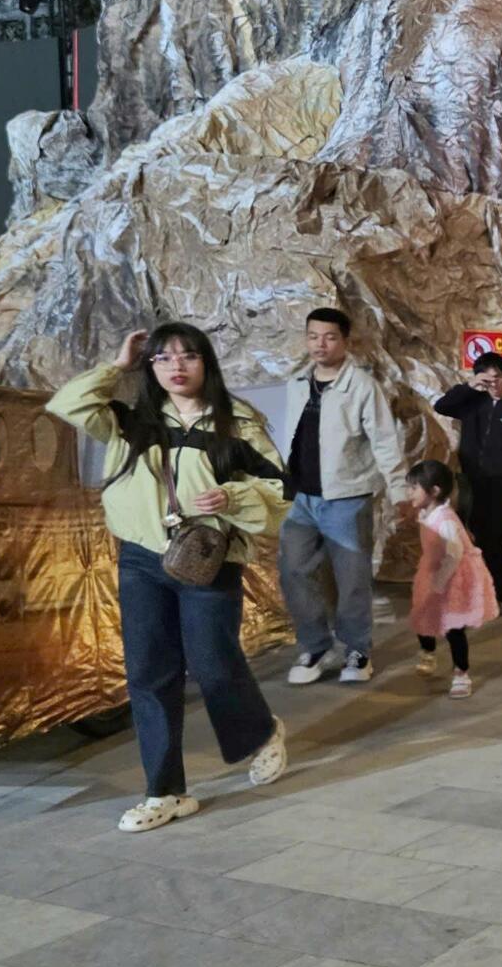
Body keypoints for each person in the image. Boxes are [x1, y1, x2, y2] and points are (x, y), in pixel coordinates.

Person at [46, 324, 290, 832]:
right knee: (149, 673)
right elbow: (68, 404)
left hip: (207, 555)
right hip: (141, 558)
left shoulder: (237, 423)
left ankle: (261, 731)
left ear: (207, 362)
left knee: (212, 662)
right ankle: (166, 792)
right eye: (163, 357)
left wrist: (232, 498)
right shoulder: (129, 421)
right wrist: (117, 367)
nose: (176, 366)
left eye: (188, 355)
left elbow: (280, 491)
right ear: (150, 366)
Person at [280, 306, 409, 686]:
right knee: (293, 572)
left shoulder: (362, 387)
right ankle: (316, 647)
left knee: (351, 579)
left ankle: (356, 649)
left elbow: (385, 441)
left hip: (347, 498)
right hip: (300, 500)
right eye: (313, 336)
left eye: (329, 337)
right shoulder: (296, 384)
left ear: (345, 341)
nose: (320, 344)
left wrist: (399, 490)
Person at [433, 352, 502, 603]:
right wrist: (470, 387)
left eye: (497, 377)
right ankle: (475, 586)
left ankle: (497, 588)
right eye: (487, 379)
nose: (493, 383)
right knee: (473, 535)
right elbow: (441, 406)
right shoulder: (471, 402)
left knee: (497, 536)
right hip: (472, 481)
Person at [407, 460, 499, 700]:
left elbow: (454, 555)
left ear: (434, 491)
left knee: (453, 627)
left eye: (414, 488)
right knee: (422, 614)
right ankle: (428, 651)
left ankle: (461, 673)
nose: (410, 493)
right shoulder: (426, 513)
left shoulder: (445, 520)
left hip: (452, 577)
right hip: (435, 572)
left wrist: (438, 584)